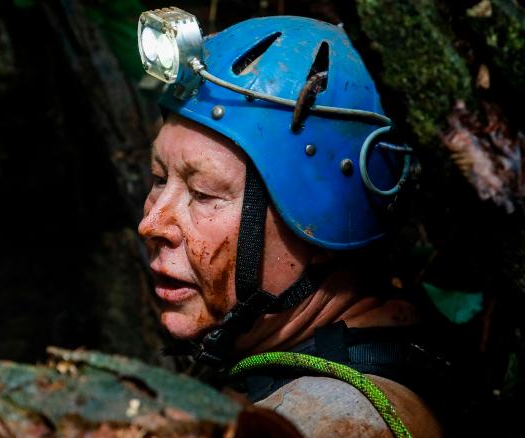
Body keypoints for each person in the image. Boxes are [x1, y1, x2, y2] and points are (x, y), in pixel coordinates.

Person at [137, 12, 449, 438]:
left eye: (204, 194)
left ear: (322, 221)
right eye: (159, 179)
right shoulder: (397, 336)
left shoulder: (333, 421)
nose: (152, 223)